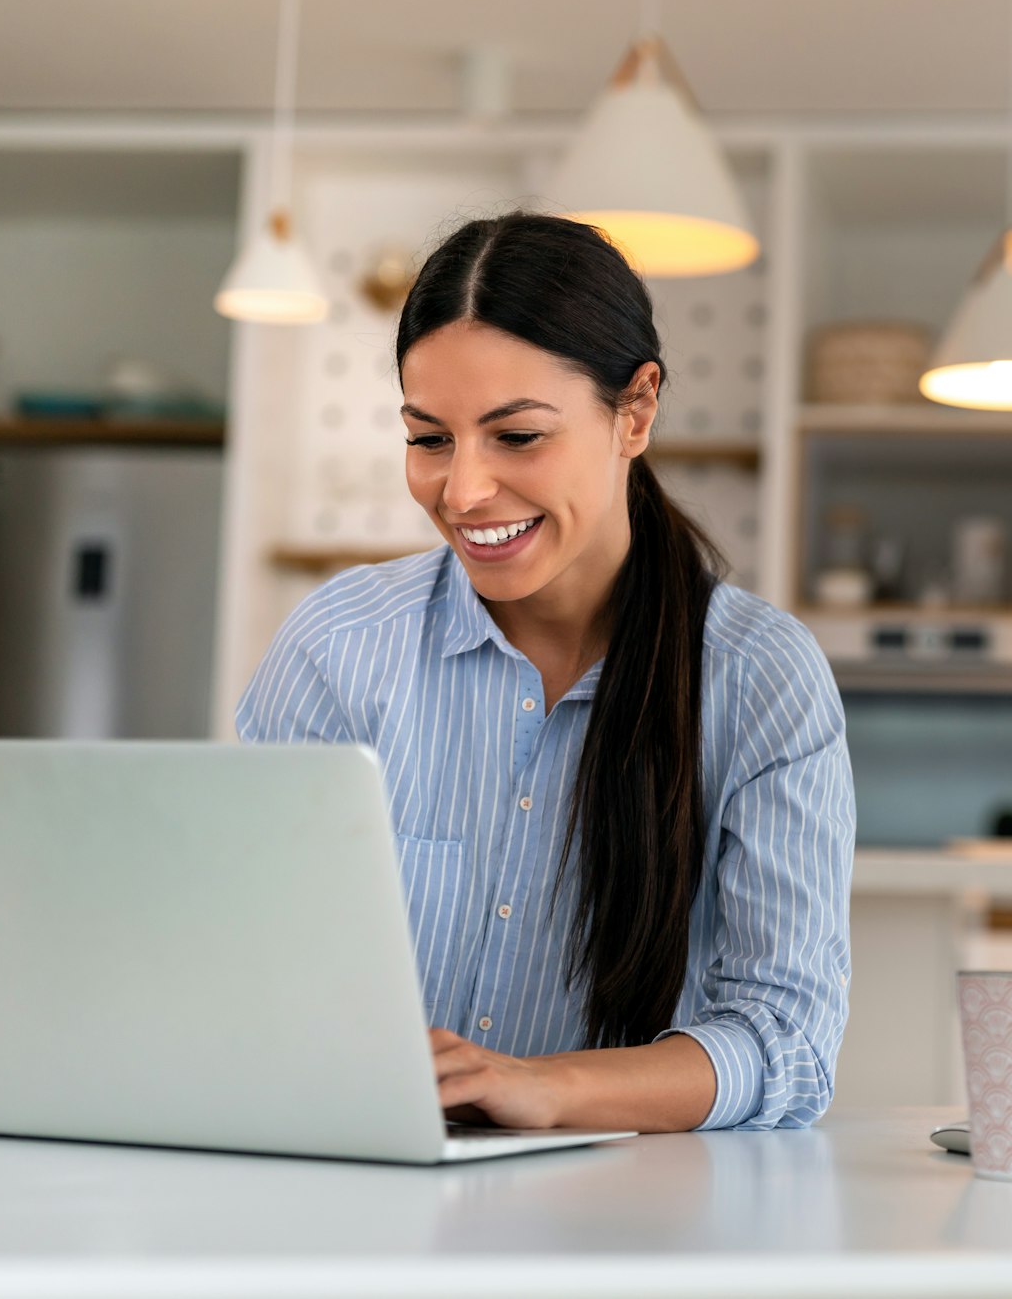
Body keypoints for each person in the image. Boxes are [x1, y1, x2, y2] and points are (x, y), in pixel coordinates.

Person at [237, 212, 853, 1133]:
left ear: (635, 411)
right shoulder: (339, 646)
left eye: (517, 436)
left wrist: (547, 1087)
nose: (464, 492)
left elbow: (788, 1045)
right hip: (363, 1184)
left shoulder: (759, 678)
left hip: (631, 1203)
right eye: (429, 439)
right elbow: (246, 965)